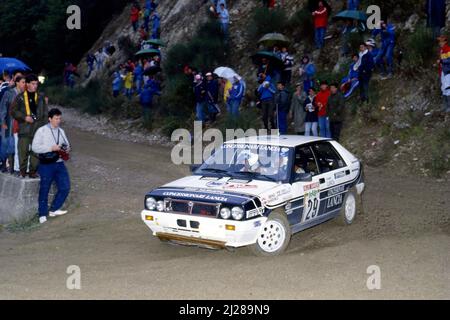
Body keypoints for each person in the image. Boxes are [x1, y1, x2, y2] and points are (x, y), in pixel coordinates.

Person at [32, 108, 71, 224]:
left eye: (59, 118)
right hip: (46, 165)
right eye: (56, 118)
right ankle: (42, 214)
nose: (58, 121)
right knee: (44, 189)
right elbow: (35, 148)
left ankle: (54, 209)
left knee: (65, 187)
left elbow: (67, 144)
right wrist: (51, 148)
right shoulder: (41, 131)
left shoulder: (61, 131)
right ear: (50, 119)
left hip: (59, 163)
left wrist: (67, 148)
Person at [11, 74, 48, 178]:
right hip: (24, 129)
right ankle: (22, 171)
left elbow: (45, 114)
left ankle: (32, 171)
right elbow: (13, 111)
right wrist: (24, 117)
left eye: (36, 84)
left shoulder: (40, 98)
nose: (35, 86)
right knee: (23, 152)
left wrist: (45, 129)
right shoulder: (20, 97)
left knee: (36, 152)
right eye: (33, 84)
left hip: (38, 129)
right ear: (27, 84)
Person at [0, 75, 26, 173]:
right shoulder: (8, 93)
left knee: (14, 145)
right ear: (17, 82)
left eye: (25, 82)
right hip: (8, 123)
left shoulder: (25, 95)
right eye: (23, 82)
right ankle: (3, 162)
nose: (24, 84)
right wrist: (2, 122)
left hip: (19, 124)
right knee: (5, 144)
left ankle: (12, 166)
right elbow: (2, 109)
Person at [437, 35, 450, 113]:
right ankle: (445, 106)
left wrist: (441, 61)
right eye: (439, 41)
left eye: (441, 41)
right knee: (443, 88)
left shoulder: (448, 49)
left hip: (448, 72)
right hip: (443, 72)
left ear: (445, 41)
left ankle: (449, 106)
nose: (439, 43)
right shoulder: (441, 50)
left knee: (448, 88)